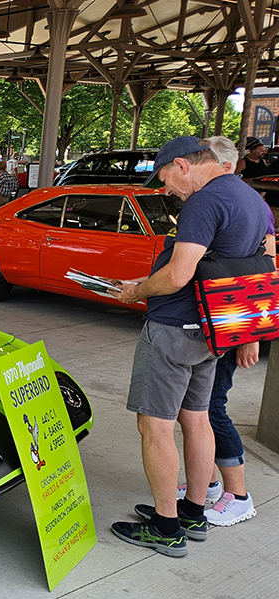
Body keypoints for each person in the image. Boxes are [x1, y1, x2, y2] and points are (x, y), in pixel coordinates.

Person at [111, 136, 270, 557]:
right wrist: (247, 331)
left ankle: (166, 526)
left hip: (174, 326)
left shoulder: (204, 202)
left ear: (182, 165)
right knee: (196, 418)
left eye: (165, 179)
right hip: (211, 328)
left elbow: (179, 274)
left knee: (154, 424)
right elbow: (264, 267)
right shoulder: (251, 198)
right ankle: (193, 512)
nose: (167, 190)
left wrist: (136, 292)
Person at [172, 135, 272, 527]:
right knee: (194, 409)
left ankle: (238, 493)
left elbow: (264, 271)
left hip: (230, 324)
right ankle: (209, 483)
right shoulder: (239, 202)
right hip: (213, 322)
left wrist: (249, 334)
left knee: (211, 408)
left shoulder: (248, 206)